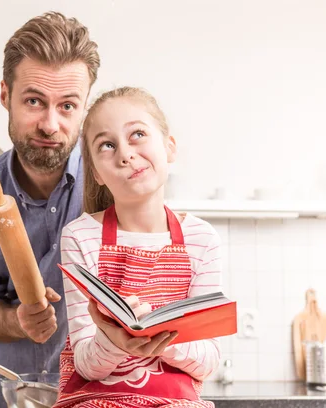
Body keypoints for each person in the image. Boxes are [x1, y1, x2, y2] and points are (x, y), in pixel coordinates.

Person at [0, 12, 100, 408]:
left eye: (67, 105)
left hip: (92, 396)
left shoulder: (110, 185)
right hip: (3, 395)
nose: (50, 124)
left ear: (85, 107)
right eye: (34, 101)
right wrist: (15, 320)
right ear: (6, 95)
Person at [54, 87, 223, 407]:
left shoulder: (202, 239)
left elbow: (208, 360)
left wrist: (158, 338)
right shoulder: (79, 236)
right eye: (107, 145)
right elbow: (87, 364)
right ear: (97, 174)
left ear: (169, 147)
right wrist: (117, 342)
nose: (125, 154)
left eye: (138, 134)